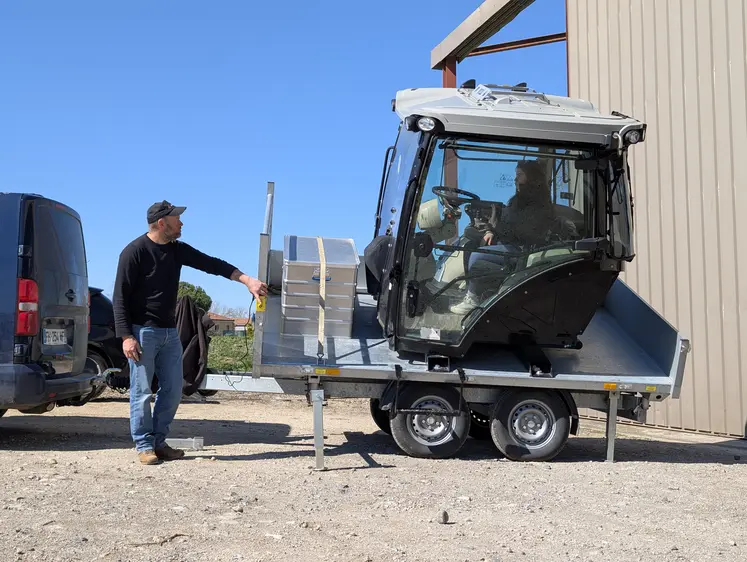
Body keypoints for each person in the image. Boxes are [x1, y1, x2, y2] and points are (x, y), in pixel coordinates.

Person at [113, 200, 267, 465]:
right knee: (141, 392)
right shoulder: (134, 252)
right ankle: (144, 446)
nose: (181, 223)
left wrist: (247, 280)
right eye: (177, 218)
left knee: (173, 389)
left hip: (169, 333)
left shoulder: (177, 250)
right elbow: (120, 298)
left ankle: (159, 442)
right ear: (162, 223)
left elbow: (212, 264)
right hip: (142, 334)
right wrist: (126, 336)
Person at [450, 160, 575, 314]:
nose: (515, 179)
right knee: (470, 245)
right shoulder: (519, 200)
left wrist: (496, 229)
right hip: (514, 244)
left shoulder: (536, 204)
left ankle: (473, 299)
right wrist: (491, 232)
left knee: (476, 256)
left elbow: (522, 232)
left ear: (531, 178)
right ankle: (472, 292)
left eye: (519, 175)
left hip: (522, 251)